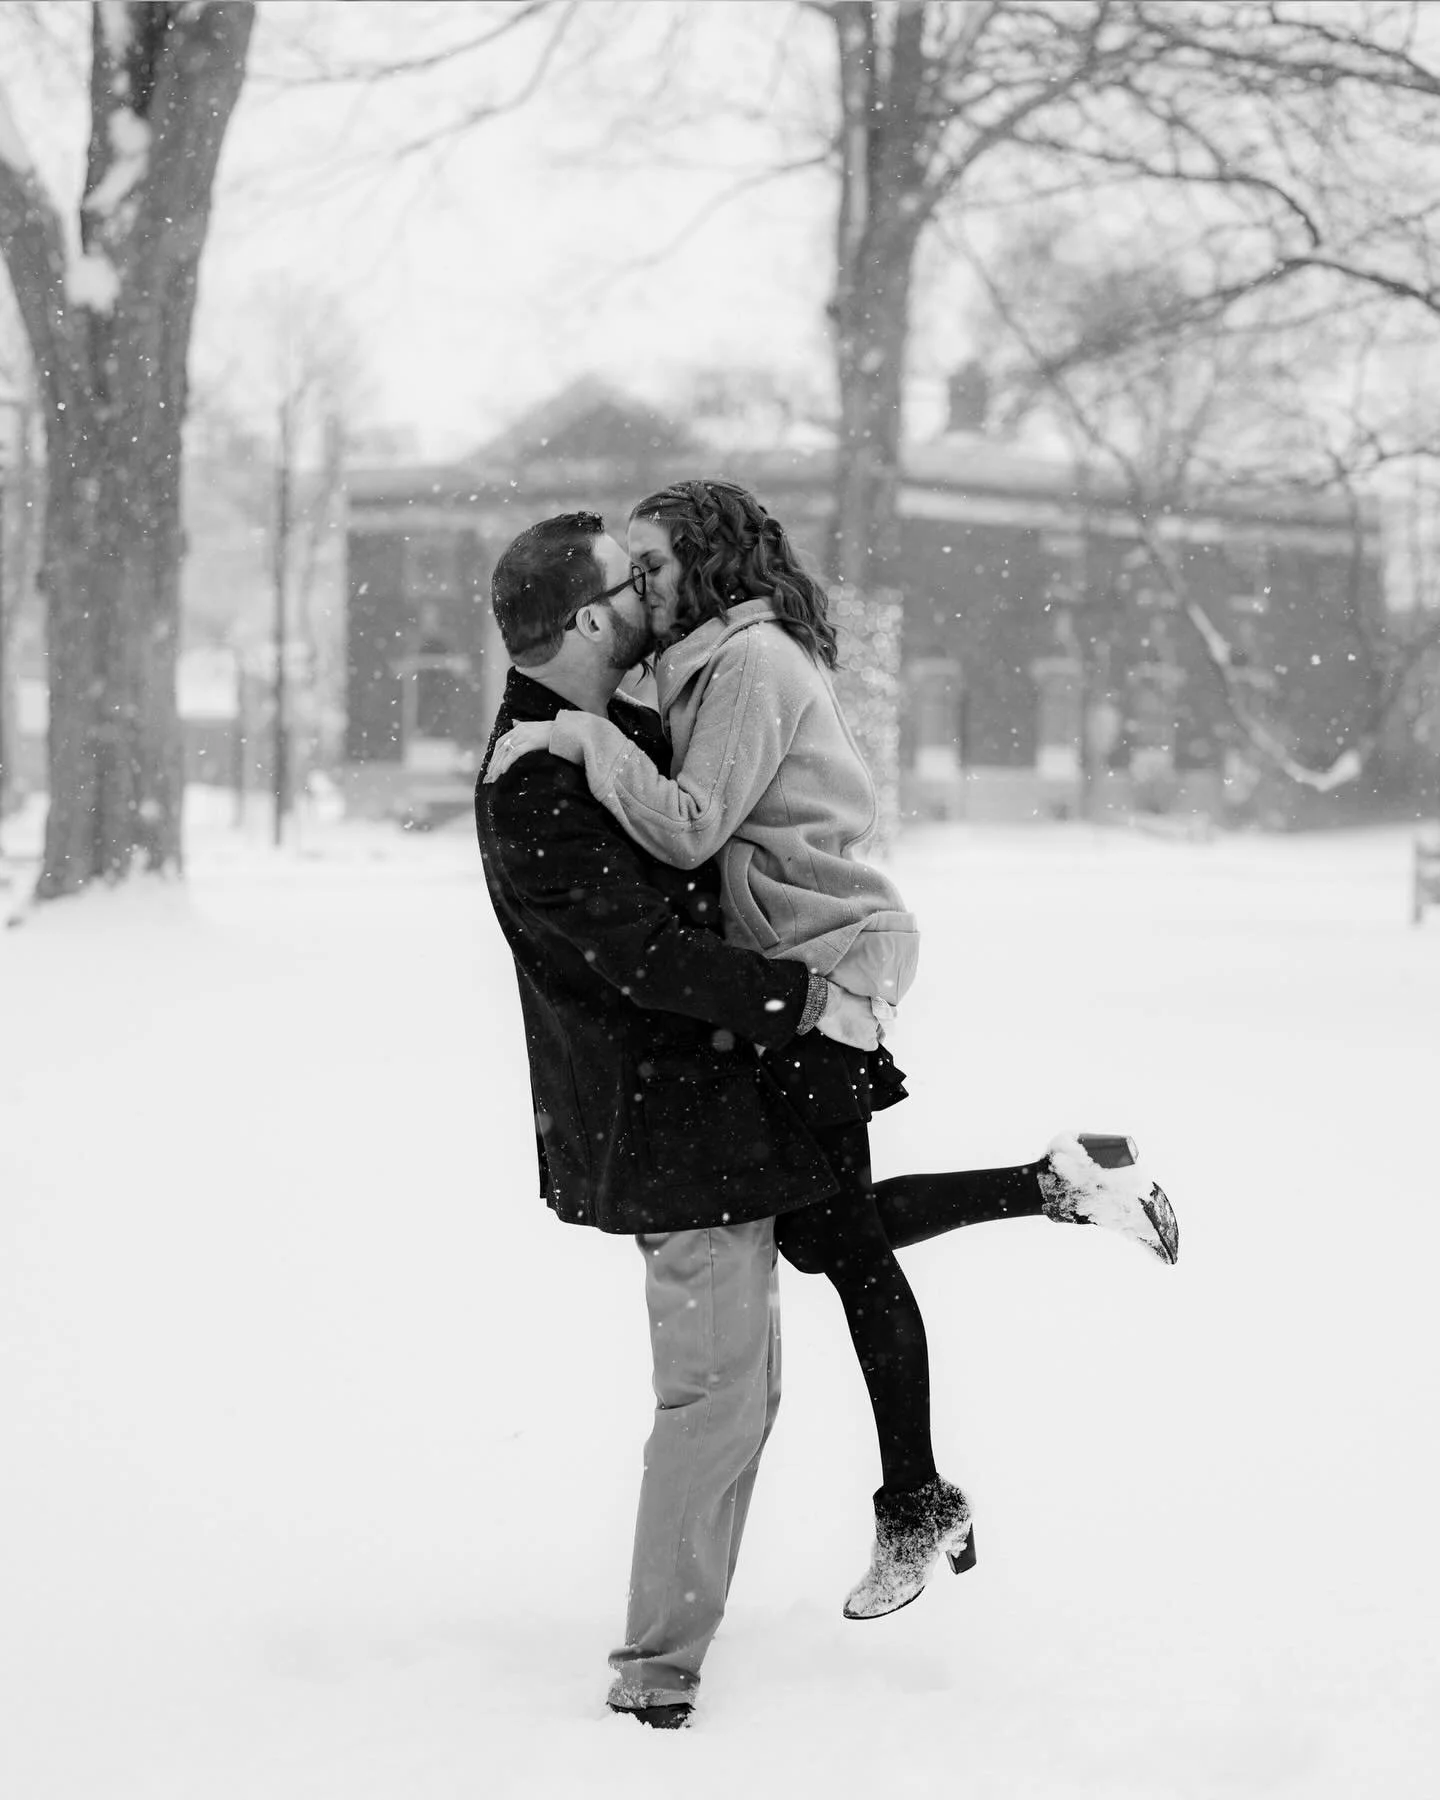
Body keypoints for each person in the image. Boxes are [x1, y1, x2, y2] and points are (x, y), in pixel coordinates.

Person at [485, 479, 1180, 1626]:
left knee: (843, 1241)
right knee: (826, 1230)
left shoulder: (753, 666)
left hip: (823, 970)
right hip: (795, 972)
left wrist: (580, 736)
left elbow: (694, 824)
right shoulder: (707, 664)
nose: (640, 587)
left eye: (652, 564)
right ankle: (1060, 1192)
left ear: (701, 566)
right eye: (630, 571)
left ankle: (919, 1493)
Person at [475, 511, 884, 1731]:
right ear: (594, 617)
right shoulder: (532, 777)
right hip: (664, 1133)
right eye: (634, 581)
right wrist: (801, 994)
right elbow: (642, 957)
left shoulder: (625, 719)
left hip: (718, 1108)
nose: (659, 592)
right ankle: (655, 1673)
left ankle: (682, 1630)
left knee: (745, 1396)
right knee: (712, 1398)